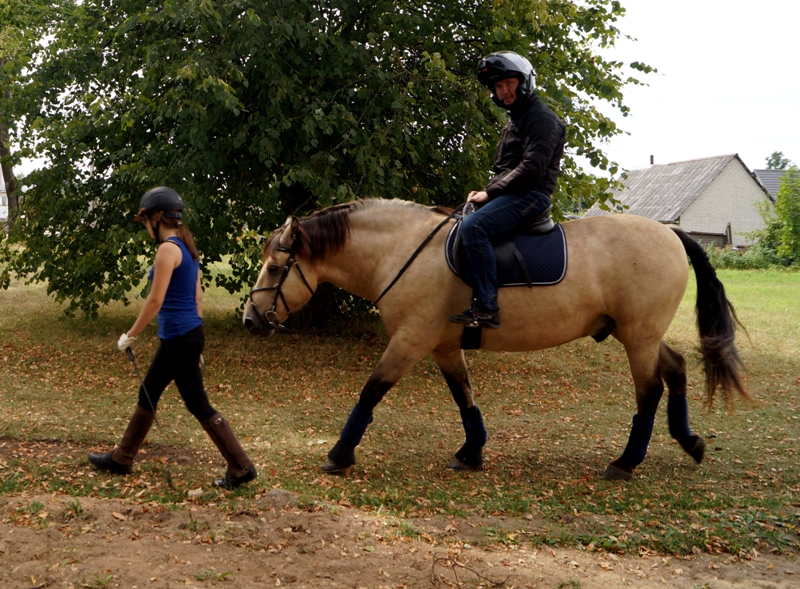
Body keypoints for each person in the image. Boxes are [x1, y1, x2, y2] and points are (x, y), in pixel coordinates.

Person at [88, 187, 257, 489]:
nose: (145, 227)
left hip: (180, 338)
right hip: (180, 337)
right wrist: (196, 339)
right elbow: (198, 297)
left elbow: (155, 300)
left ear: (156, 217)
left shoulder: (168, 249)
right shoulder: (188, 246)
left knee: (198, 405)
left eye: (145, 221)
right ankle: (122, 457)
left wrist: (131, 335)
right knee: (148, 392)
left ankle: (241, 467)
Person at [449, 51, 566, 329]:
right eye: (499, 86)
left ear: (524, 82)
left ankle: (487, 307)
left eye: (509, 83)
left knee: (474, 227)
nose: (504, 91)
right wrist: (487, 190)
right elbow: (508, 169)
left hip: (531, 195)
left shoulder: (542, 119)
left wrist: (490, 193)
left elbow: (532, 169)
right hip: (513, 193)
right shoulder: (516, 119)